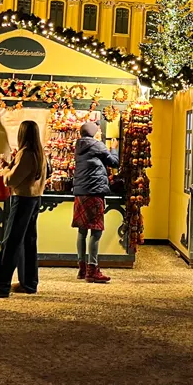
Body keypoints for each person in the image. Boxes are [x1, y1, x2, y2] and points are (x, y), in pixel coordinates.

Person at [0, 120, 48, 298]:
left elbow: (11, 180)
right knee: (28, 241)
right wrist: (10, 166)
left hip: (22, 198)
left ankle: (1, 284)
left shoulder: (26, 153)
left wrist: (5, 172)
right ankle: (29, 282)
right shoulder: (40, 153)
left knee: (11, 241)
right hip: (35, 198)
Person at [72, 121, 118, 284]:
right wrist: (114, 148)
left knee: (82, 231)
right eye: (97, 130)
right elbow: (114, 162)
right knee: (96, 231)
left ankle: (82, 268)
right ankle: (92, 269)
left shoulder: (79, 146)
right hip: (94, 192)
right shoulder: (97, 145)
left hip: (80, 192)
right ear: (93, 132)